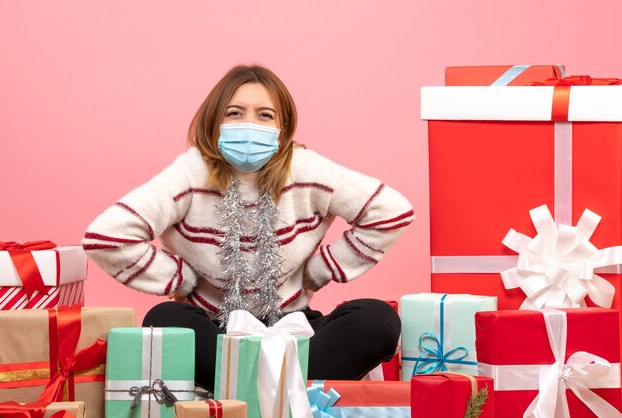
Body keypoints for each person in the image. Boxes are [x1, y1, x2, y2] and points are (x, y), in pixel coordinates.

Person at [83, 64, 414, 391]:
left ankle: (245, 389)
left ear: (283, 127)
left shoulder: (305, 167)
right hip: (215, 331)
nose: (249, 125)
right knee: (164, 319)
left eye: (264, 115)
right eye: (235, 113)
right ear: (215, 122)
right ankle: (286, 390)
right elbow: (107, 236)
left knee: (379, 319)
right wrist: (181, 278)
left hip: (294, 328)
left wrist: (318, 271)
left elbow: (390, 212)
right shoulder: (190, 172)